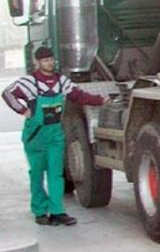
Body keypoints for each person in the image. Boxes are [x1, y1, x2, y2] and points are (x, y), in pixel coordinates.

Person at [2, 46, 109, 226]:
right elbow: (7, 94)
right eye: (45, 60)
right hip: (35, 135)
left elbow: (79, 96)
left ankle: (58, 212)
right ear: (37, 62)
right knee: (36, 174)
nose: (49, 63)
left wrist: (100, 100)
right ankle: (40, 211)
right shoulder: (28, 83)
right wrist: (23, 110)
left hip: (55, 134)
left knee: (56, 173)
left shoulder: (61, 82)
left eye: (51, 59)